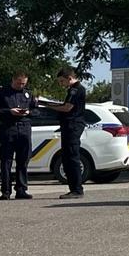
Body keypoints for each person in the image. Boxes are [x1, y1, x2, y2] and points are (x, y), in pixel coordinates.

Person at [40, 66, 89, 198]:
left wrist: (47, 105)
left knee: (72, 157)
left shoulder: (76, 90)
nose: (61, 84)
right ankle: (73, 188)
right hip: (69, 126)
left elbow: (67, 108)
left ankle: (77, 190)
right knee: (67, 158)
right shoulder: (73, 90)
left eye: (62, 81)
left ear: (69, 78)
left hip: (73, 126)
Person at [0, 71, 36, 200]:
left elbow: (37, 111)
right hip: (8, 129)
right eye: (19, 83)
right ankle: (6, 191)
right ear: (13, 80)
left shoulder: (28, 94)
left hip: (24, 129)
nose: (21, 86)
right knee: (6, 161)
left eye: (23, 83)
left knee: (23, 160)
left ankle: (21, 189)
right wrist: (9, 111)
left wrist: (28, 112)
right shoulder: (2, 93)